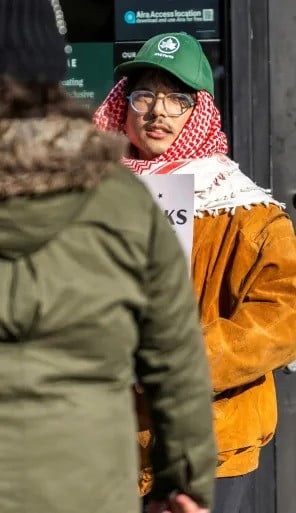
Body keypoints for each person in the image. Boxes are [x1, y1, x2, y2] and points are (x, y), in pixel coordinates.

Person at [0, 2, 216, 513]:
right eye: (146, 96)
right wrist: (184, 483)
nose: (159, 112)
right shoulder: (123, 200)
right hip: (90, 485)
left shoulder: (209, 199)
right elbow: (176, 360)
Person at [93, 31, 296, 513]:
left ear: (198, 114)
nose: (158, 111)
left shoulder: (241, 208)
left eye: (177, 99)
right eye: (144, 94)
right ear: (123, 106)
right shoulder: (85, 196)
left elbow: (288, 315)